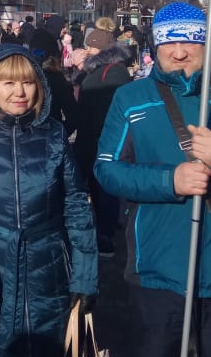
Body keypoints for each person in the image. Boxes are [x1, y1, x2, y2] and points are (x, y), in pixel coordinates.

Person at [94, 1, 211, 357]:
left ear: (207, 43)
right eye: (169, 42)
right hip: (156, 270)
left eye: (190, 41)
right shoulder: (131, 98)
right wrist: (170, 181)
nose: (179, 52)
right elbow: (107, 168)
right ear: (156, 45)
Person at [0, 44, 97, 355]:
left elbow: (77, 205)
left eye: (28, 82)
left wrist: (85, 276)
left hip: (50, 271)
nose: (19, 92)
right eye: (8, 82)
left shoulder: (53, 134)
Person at [71, 28, 133, 259]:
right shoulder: (97, 69)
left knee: (104, 187)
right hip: (89, 136)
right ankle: (105, 226)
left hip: (102, 138)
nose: (87, 50)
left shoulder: (114, 71)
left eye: (92, 46)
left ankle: (105, 236)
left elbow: (111, 107)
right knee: (94, 186)